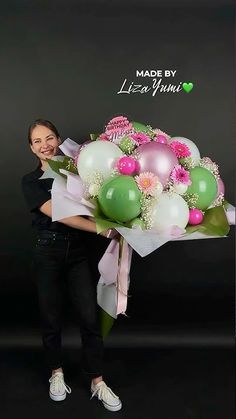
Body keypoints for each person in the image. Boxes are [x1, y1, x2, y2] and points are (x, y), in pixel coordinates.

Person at [21, 119, 122, 412]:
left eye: (50, 138)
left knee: (89, 318)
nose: (45, 145)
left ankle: (97, 380)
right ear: (31, 148)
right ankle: (56, 373)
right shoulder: (30, 181)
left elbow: (97, 201)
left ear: (58, 139)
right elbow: (61, 214)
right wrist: (102, 229)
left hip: (78, 252)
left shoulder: (76, 172)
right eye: (38, 141)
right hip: (48, 252)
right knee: (50, 318)